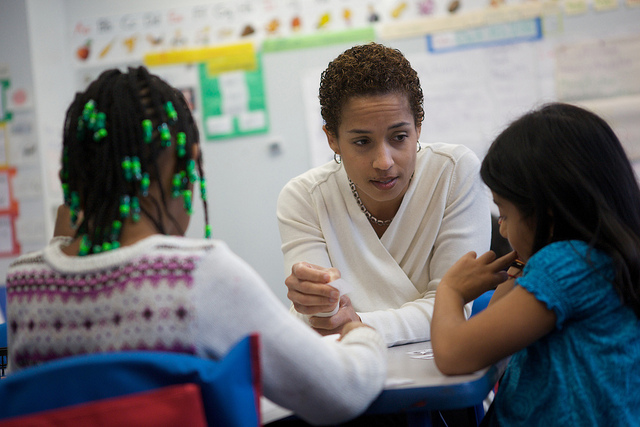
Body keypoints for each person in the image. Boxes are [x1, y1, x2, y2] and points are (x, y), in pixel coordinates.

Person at [5, 66, 387, 425]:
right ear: (188, 165)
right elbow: (342, 392)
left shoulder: (25, 282)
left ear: (74, 174)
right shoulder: (196, 276)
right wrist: (361, 333)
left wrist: (60, 240)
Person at [431, 103, 640, 425]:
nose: (501, 227)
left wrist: (450, 290)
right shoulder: (597, 261)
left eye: (505, 213)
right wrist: (519, 266)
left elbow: (455, 355)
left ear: (549, 214)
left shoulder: (569, 264)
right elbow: (495, 340)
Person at [277, 42, 491, 346]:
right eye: (362, 142)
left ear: (419, 125)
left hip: (440, 368)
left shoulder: (455, 173)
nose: (384, 162)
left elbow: (453, 306)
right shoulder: (305, 198)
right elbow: (325, 318)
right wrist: (313, 303)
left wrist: (359, 323)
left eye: (399, 137)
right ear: (332, 139)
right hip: (348, 370)